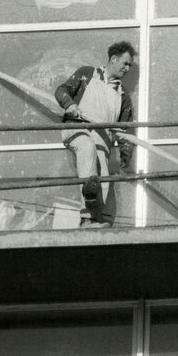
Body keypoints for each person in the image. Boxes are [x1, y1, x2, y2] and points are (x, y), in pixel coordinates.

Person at [55, 41, 137, 227]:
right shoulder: (87, 74)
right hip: (77, 129)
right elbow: (61, 90)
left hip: (103, 140)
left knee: (104, 174)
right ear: (113, 59)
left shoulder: (123, 96)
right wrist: (70, 105)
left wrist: (126, 151)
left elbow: (126, 129)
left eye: (130, 65)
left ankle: (90, 220)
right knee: (87, 147)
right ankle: (89, 200)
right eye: (125, 63)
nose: (127, 68)